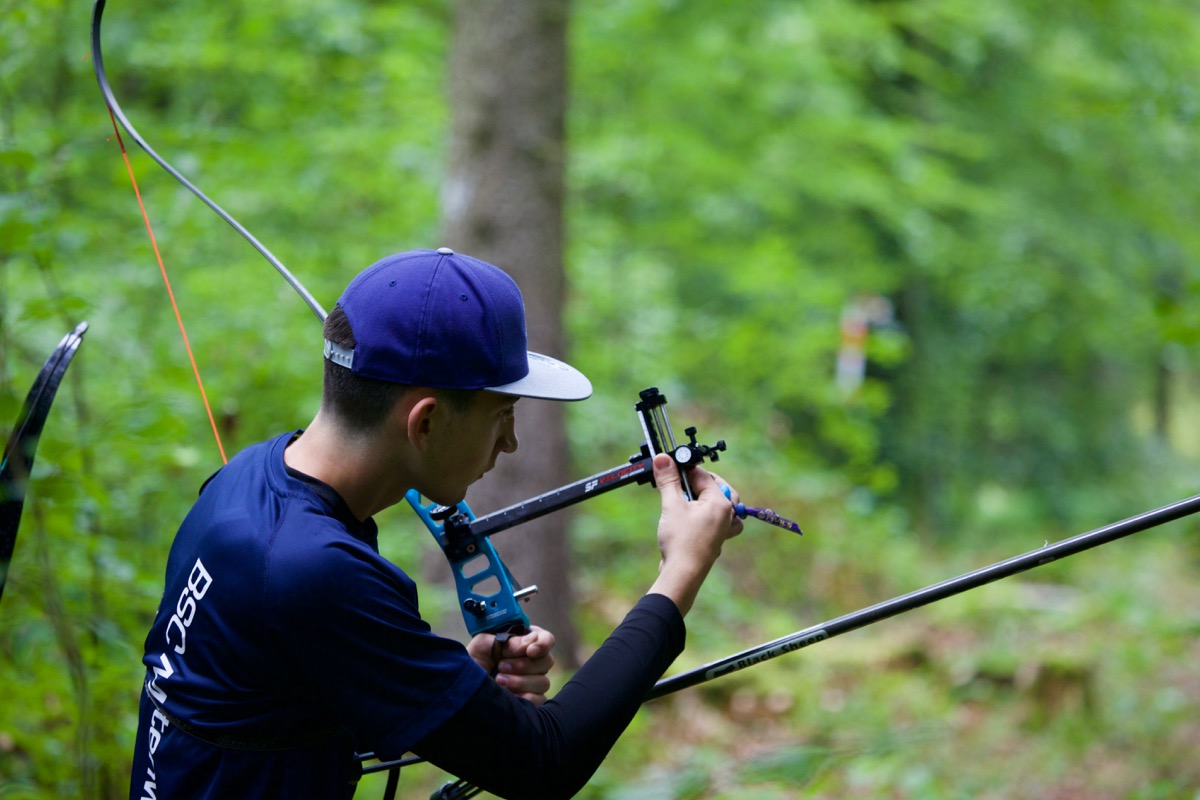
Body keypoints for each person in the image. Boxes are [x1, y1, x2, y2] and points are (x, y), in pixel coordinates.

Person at [128, 248, 743, 800]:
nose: (510, 441)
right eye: (502, 414)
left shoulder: (247, 480)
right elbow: (544, 762)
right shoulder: (310, 569)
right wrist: (683, 568)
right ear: (424, 423)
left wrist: (447, 686)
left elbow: (267, 695)